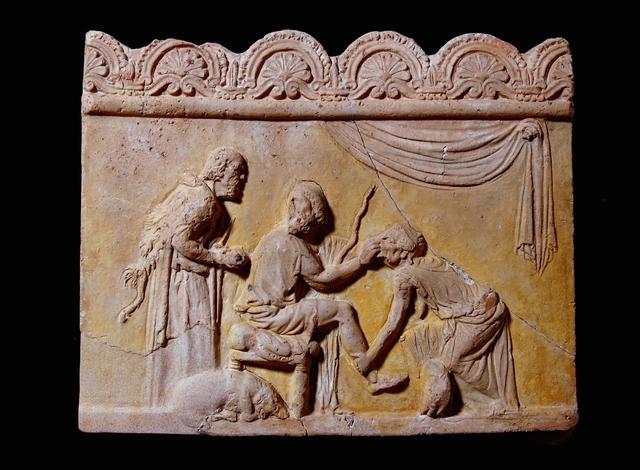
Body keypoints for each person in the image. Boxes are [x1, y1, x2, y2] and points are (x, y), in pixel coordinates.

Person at [228, 181, 407, 417]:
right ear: (309, 217)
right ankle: (372, 377)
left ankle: (369, 377)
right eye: (315, 226)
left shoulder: (272, 237)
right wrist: (361, 261)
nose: (315, 234)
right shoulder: (294, 244)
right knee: (343, 311)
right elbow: (323, 281)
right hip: (272, 317)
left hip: (257, 312)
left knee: (335, 309)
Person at [118, 146, 249, 406]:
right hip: (185, 285)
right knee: (191, 340)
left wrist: (216, 251)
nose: (242, 179)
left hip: (180, 280)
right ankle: (189, 402)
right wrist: (217, 258)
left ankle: (177, 400)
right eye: (237, 172)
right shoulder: (205, 202)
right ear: (219, 172)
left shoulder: (200, 196)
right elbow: (181, 241)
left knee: (188, 341)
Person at [357, 223, 519, 417]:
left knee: (453, 360)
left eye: (387, 242)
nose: (381, 252)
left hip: (480, 314)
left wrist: (370, 357)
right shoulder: (431, 262)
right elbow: (447, 287)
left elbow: (394, 323)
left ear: (403, 251)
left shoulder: (404, 276)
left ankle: (493, 401)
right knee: (425, 341)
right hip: (482, 303)